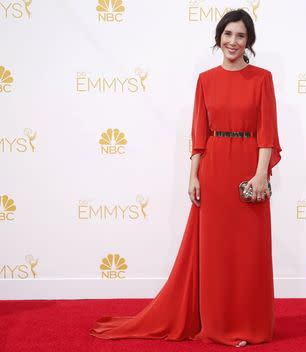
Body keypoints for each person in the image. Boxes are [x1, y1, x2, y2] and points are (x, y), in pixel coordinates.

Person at [89, 8, 282, 348]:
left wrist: (260, 174)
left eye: (240, 35)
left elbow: (267, 131)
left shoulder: (262, 78)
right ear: (218, 37)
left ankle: (248, 326)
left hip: (248, 173)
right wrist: (193, 175)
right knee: (217, 253)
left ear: (249, 40)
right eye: (227, 34)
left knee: (248, 253)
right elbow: (199, 132)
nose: (233, 41)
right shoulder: (206, 79)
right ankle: (219, 326)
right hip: (215, 172)